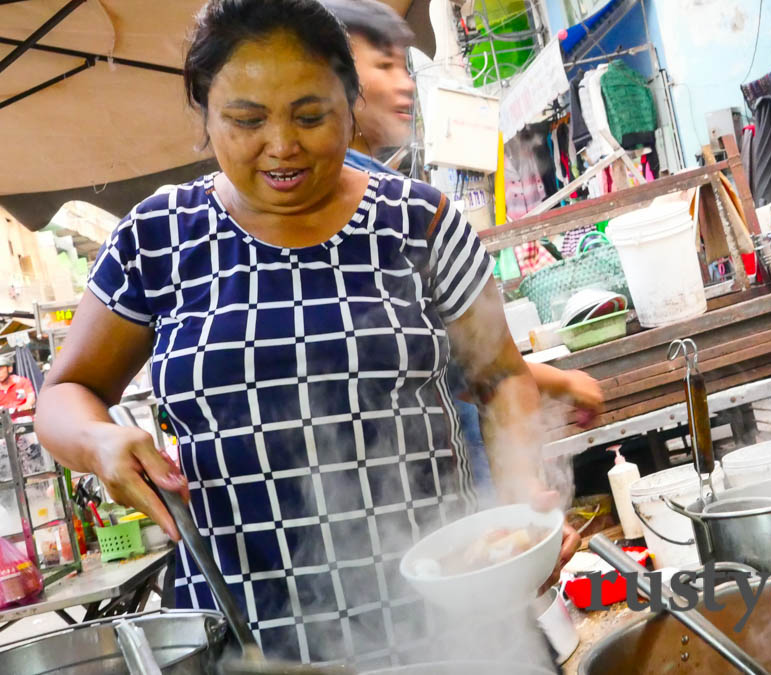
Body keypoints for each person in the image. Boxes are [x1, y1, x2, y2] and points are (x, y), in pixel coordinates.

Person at [35, 0, 573, 666]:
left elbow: (502, 379)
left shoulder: (421, 225)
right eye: (246, 119)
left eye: (310, 115)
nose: (283, 144)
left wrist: (520, 505)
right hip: (247, 638)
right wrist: (99, 440)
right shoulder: (157, 236)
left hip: (443, 626)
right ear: (204, 117)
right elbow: (65, 392)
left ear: (351, 108)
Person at [321, 0, 603, 492]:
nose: (406, 82)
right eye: (385, 65)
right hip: (439, 483)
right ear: (330, 78)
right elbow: (455, 365)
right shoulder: (387, 209)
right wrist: (555, 381)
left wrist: (543, 379)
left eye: (403, 65)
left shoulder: (385, 193)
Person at [0, 353, 36, 419]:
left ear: (10, 369)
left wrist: (28, 404)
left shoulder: (22, 381)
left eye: (1, 369)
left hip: (23, 417)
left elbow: (31, 396)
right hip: (4, 420)